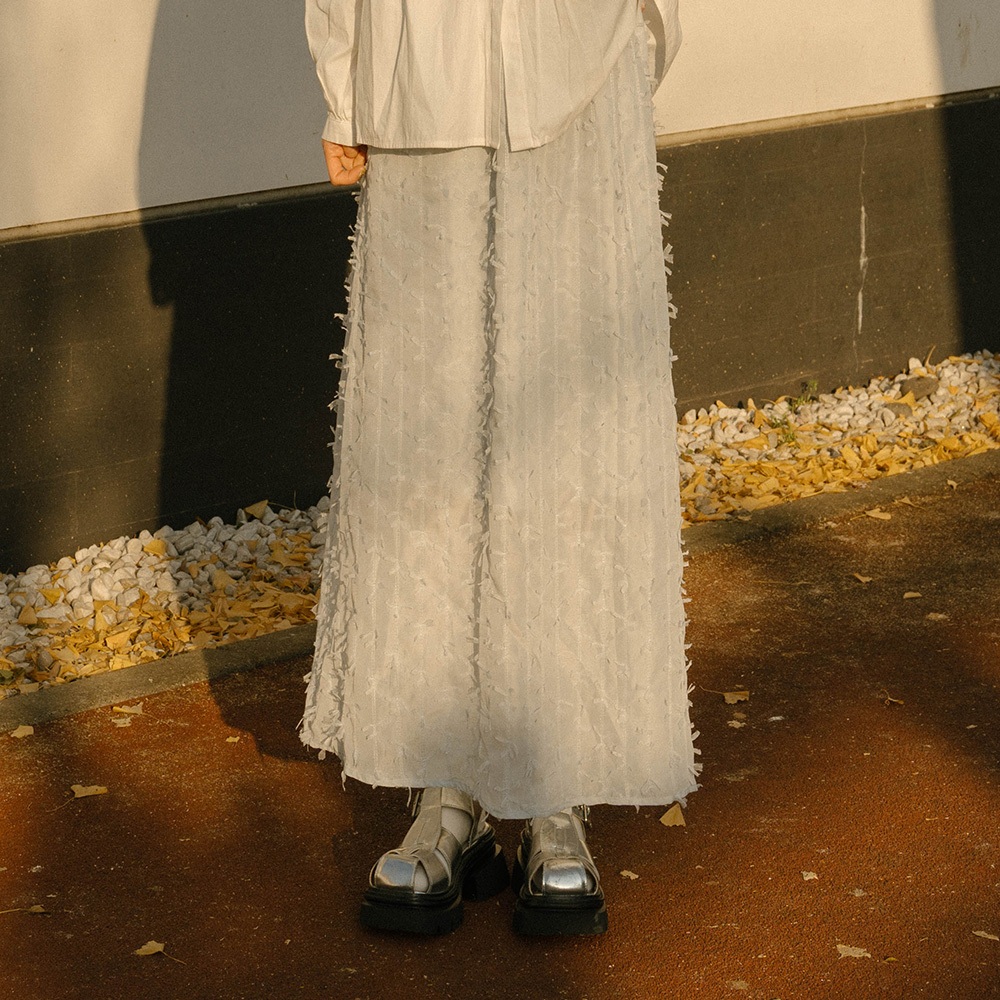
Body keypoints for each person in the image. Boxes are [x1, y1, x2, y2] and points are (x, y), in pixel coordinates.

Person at [301, 0, 697, 937]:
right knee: (426, 425)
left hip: (580, 59)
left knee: (573, 421)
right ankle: (447, 788)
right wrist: (343, 81)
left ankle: (557, 790)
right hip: (418, 67)